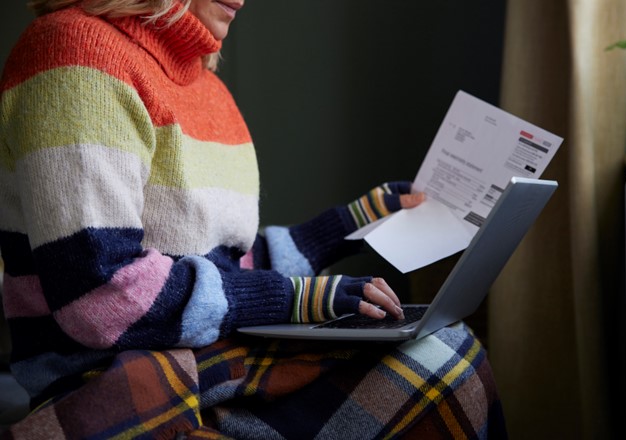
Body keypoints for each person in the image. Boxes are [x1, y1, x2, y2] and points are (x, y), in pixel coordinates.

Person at [0, 0, 506, 438]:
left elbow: (221, 269)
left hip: (204, 349)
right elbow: (104, 296)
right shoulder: (72, 53)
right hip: (115, 371)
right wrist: (298, 300)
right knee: (441, 369)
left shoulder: (208, 88)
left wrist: (357, 220)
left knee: (448, 346)